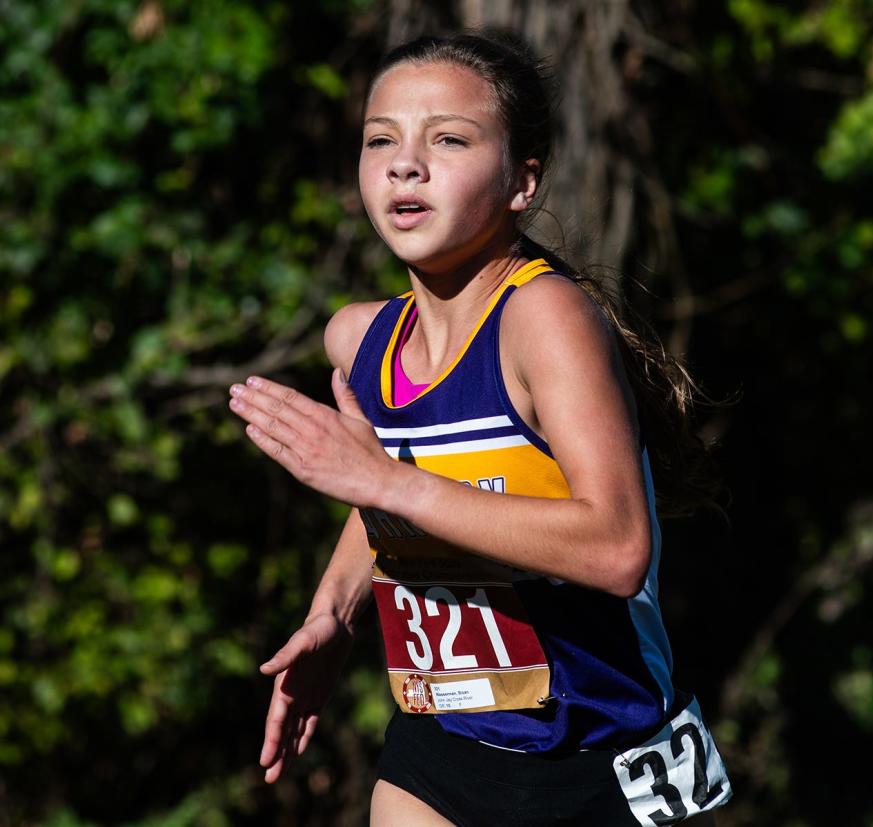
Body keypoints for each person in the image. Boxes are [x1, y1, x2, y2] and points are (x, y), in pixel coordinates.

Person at [227, 30, 730, 826]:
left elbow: (617, 548)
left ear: (522, 181)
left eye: (449, 139)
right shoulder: (360, 341)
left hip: (599, 758)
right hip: (445, 745)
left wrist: (386, 482)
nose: (404, 163)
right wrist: (335, 612)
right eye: (380, 139)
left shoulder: (545, 318)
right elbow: (389, 493)